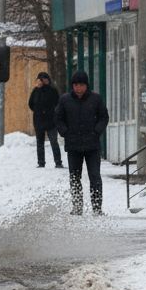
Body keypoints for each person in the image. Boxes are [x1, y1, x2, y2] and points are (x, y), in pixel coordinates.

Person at [55, 70, 109, 216]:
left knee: (95, 177)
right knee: (74, 177)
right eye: (76, 85)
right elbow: (58, 118)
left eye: (81, 85)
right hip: (73, 146)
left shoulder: (96, 99)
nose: (78, 88)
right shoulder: (65, 100)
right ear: (72, 86)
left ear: (86, 85)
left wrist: (97, 131)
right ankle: (77, 206)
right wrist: (65, 132)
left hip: (92, 146)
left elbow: (104, 117)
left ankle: (97, 208)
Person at [28, 72, 62, 168]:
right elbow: (30, 104)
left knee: (53, 141)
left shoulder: (52, 90)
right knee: (40, 143)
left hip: (51, 120)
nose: (43, 81)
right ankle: (41, 162)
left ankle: (58, 162)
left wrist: (51, 112)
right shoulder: (36, 91)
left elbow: (57, 103)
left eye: (45, 79)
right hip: (39, 121)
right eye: (41, 79)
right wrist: (38, 111)